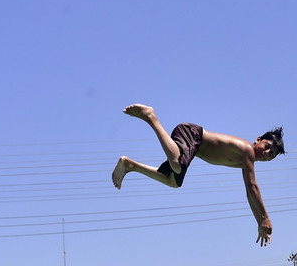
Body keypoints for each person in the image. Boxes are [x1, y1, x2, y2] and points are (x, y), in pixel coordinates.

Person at [111, 104, 285, 246]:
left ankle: (130, 165)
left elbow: (249, 193)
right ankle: (151, 117)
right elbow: (252, 186)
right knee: (178, 166)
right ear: (258, 139)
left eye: (272, 154)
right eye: (267, 145)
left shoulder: (246, 161)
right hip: (192, 135)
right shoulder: (247, 149)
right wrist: (265, 218)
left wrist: (260, 223)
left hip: (192, 148)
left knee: (173, 181)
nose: (267, 152)